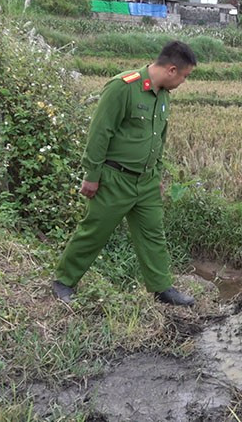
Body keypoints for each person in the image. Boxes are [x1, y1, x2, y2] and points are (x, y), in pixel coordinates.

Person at [52, 41, 197, 306]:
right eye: (185, 76)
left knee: (153, 234)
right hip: (115, 179)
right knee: (95, 231)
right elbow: (100, 131)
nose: (184, 82)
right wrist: (92, 174)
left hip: (147, 181)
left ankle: (161, 289)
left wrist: (157, 175)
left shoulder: (163, 95)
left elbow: (158, 139)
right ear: (172, 70)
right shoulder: (123, 87)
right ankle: (64, 281)